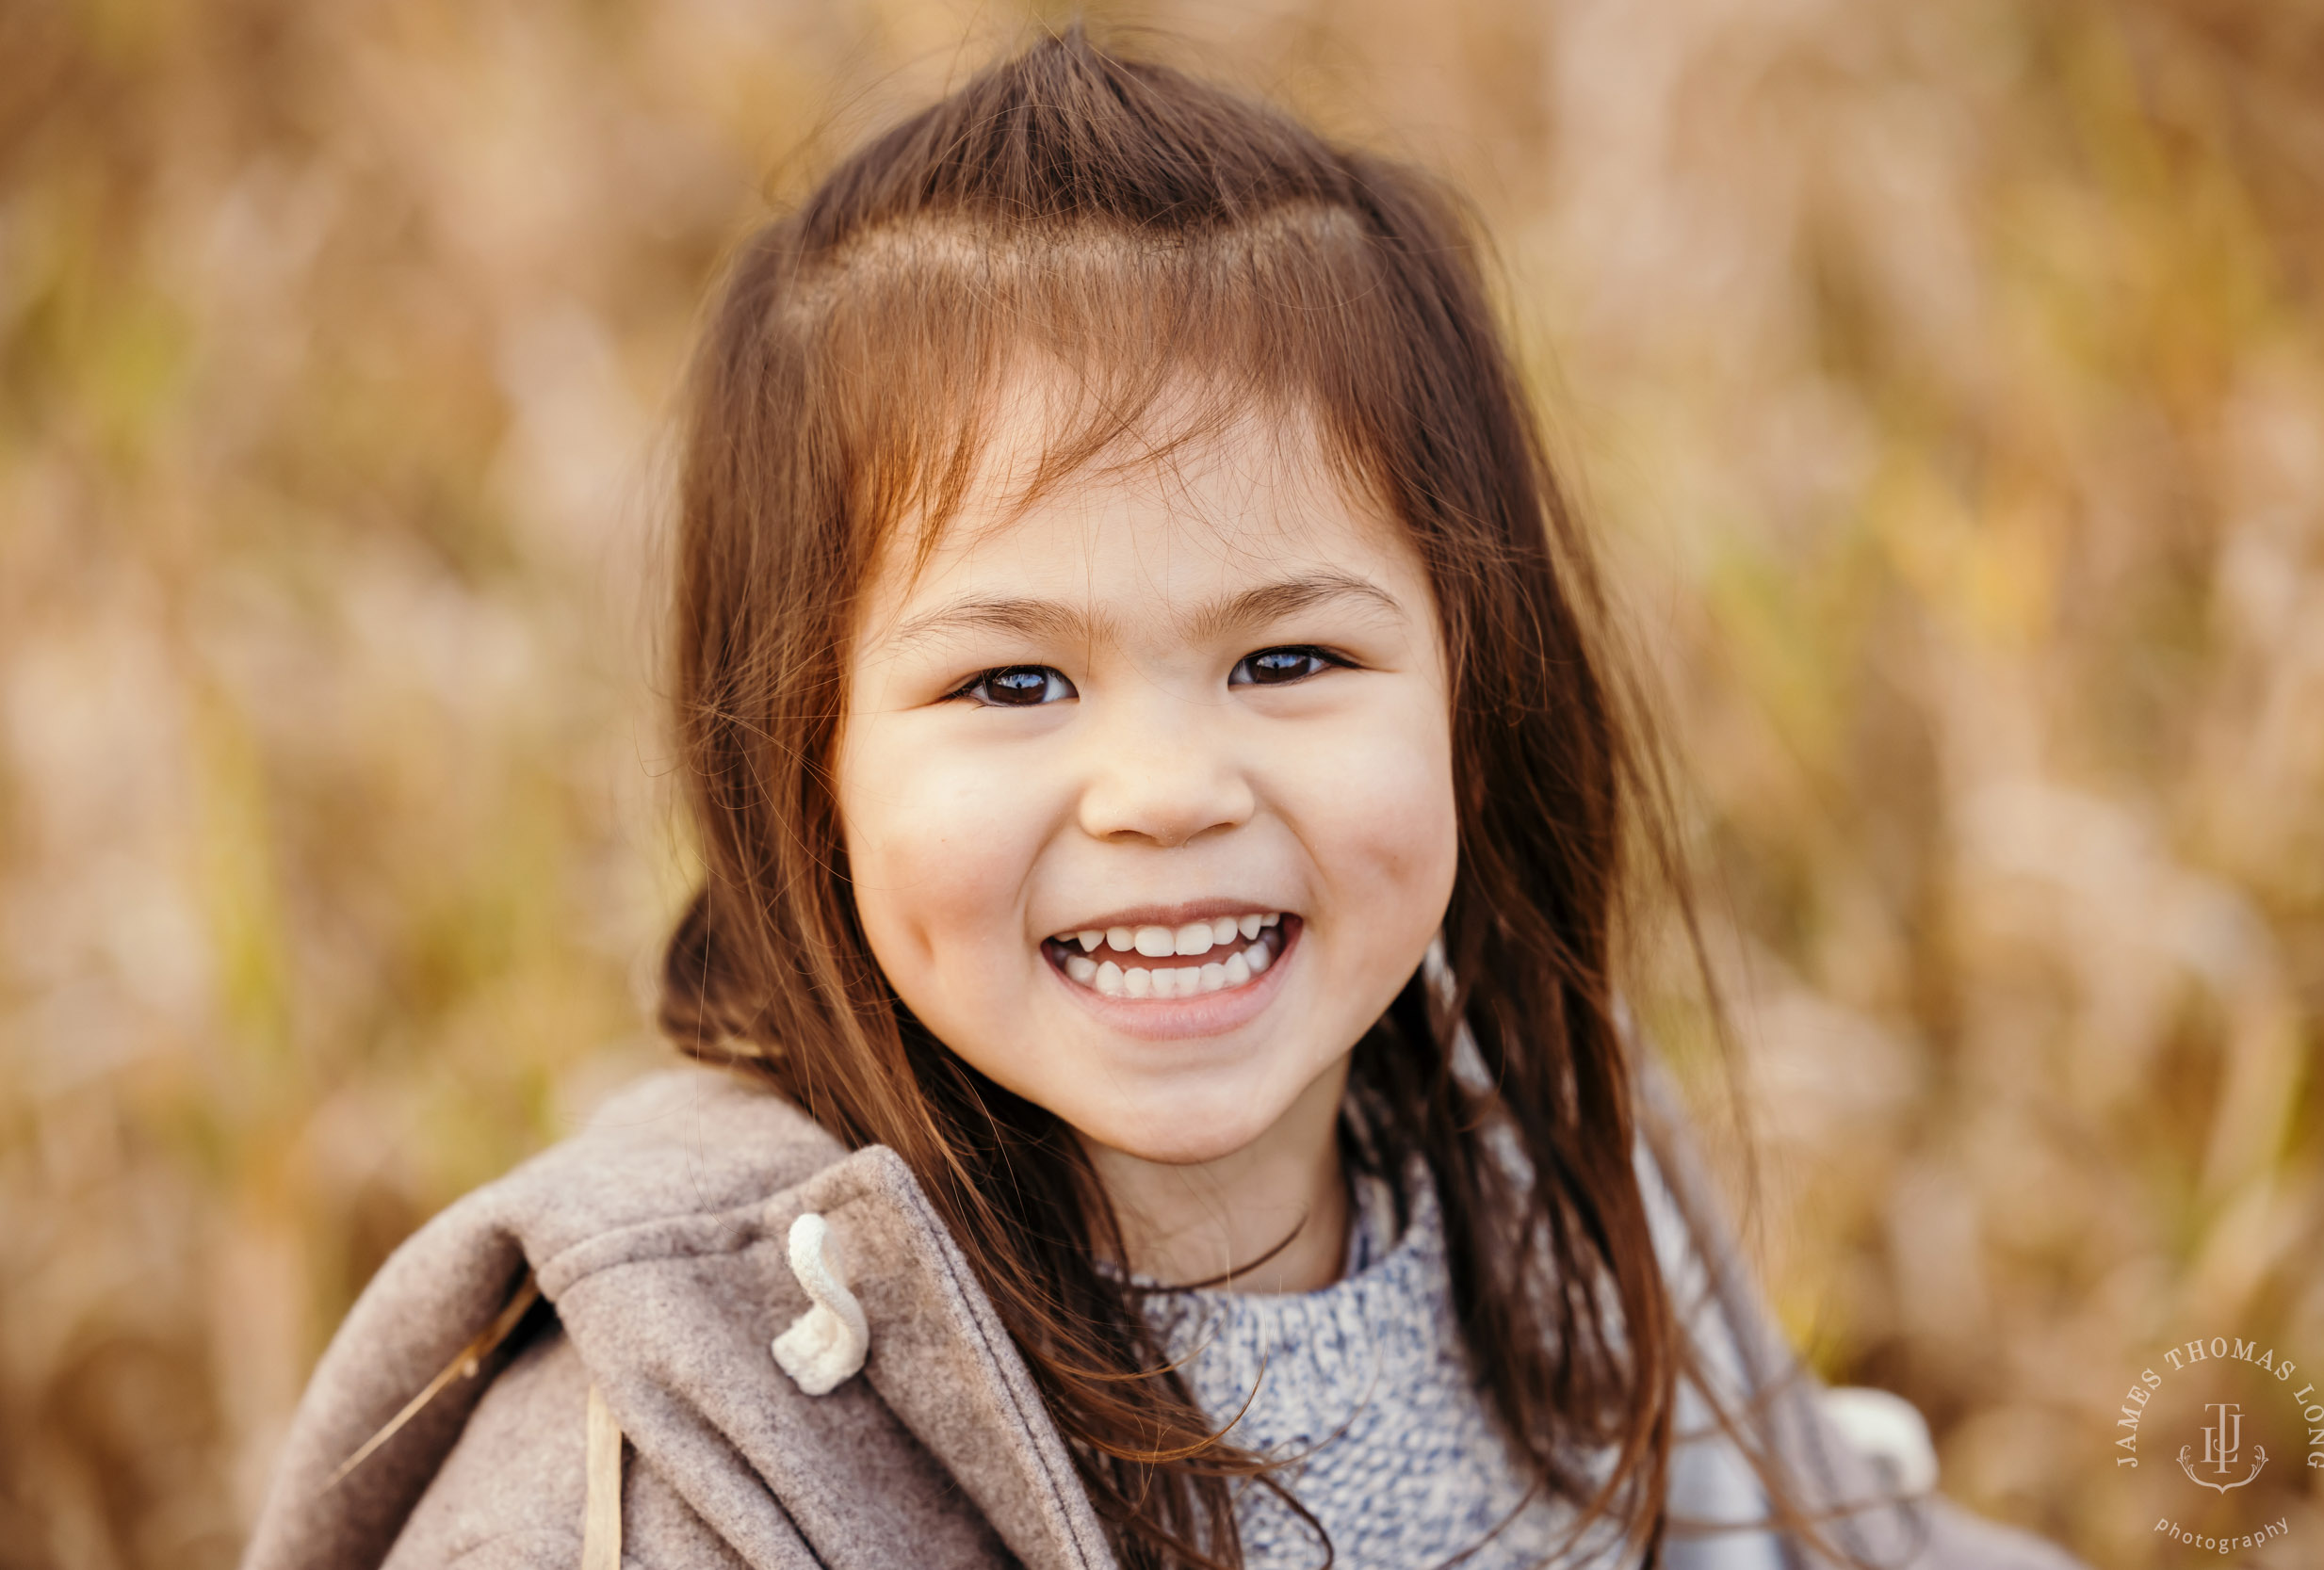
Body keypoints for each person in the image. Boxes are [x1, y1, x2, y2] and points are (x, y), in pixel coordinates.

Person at [241, 30, 2084, 1570]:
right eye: (1009, 683)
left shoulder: (1528, 1164)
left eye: (1287, 663)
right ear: (800, 763)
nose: (1162, 793)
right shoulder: (678, 1457)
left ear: (1471, 693)